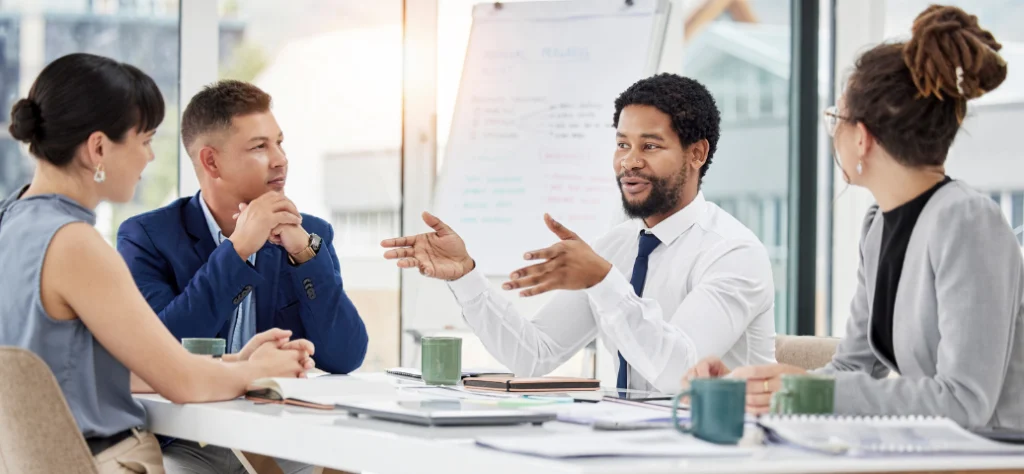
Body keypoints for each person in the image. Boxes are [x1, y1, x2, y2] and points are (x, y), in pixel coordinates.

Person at [686, 5, 1024, 430]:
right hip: (930, 448)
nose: (833, 132)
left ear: (862, 138)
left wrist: (806, 393)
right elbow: (852, 370)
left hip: (996, 452)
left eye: (836, 119)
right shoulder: (879, 225)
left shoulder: (968, 221)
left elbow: (965, 401)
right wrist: (753, 386)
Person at [0, 53, 312, 474]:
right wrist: (256, 372)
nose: (149, 158)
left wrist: (237, 363)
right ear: (98, 148)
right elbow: (181, 382)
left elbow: (95, 369)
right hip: (111, 462)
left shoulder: (12, 222)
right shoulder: (75, 244)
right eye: (145, 140)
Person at [383, 74, 776, 394]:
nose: (629, 162)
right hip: (625, 442)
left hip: (710, 450)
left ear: (697, 154)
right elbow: (533, 356)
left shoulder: (733, 253)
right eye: (622, 144)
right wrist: (466, 276)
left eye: (650, 146)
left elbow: (681, 374)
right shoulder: (617, 245)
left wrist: (603, 281)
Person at [116, 79, 368, 473]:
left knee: (355, 463)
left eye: (280, 143)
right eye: (259, 147)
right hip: (186, 437)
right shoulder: (147, 236)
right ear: (211, 162)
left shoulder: (308, 234)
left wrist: (304, 254)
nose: (280, 159)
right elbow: (161, 352)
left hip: (277, 433)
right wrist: (238, 251)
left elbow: (345, 356)